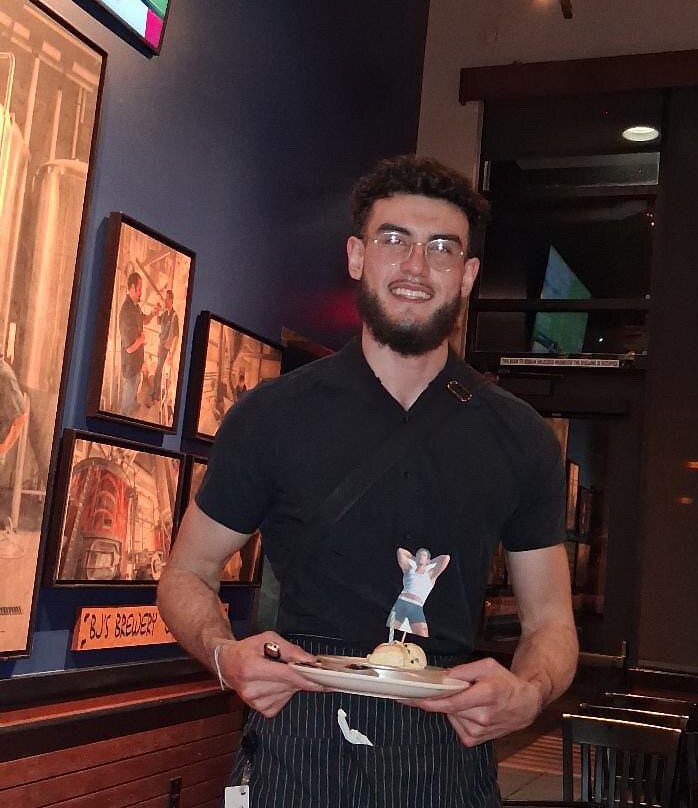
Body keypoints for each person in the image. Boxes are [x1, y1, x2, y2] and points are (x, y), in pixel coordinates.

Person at [157, 154, 578, 807]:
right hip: (299, 744)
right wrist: (225, 655)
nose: (416, 266)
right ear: (357, 256)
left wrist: (530, 691)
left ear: (467, 275)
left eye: (441, 248)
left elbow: (550, 620)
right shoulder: (271, 416)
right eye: (394, 240)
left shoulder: (520, 436)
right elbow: (186, 573)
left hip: (446, 753)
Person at [387, 547, 450, 637]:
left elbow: (446, 558)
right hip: (401, 603)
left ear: (427, 560)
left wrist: (429, 562)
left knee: (423, 634)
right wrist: (414, 558)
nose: (420, 556)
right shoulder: (408, 570)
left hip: (416, 607)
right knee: (390, 633)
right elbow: (400, 551)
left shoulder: (431, 575)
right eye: (419, 555)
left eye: (423, 555)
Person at [118, 270, 156, 417]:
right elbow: (128, 348)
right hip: (130, 365)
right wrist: (141, 340)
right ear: (132, 288)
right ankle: (123, 420)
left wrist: (153, 313)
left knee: (135, 386)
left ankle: (133, 405)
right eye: (139, 289)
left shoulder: (135, 307)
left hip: (137, 362)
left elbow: (143, 320)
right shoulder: (126, 313)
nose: (141, 292)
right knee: (128, 395)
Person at [150, 288, 179, 405]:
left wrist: (172, 355)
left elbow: (176, 337)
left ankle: (155, 395)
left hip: (166, 348)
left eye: (166, 299)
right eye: (164, 299)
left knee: (158, 370)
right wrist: (157, 312)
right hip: (160, 345)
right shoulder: (165, 313)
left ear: (171, 300)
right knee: (158, 369)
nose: (164, 301)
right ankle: (156, 394)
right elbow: (158, 322)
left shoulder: (174, 316)